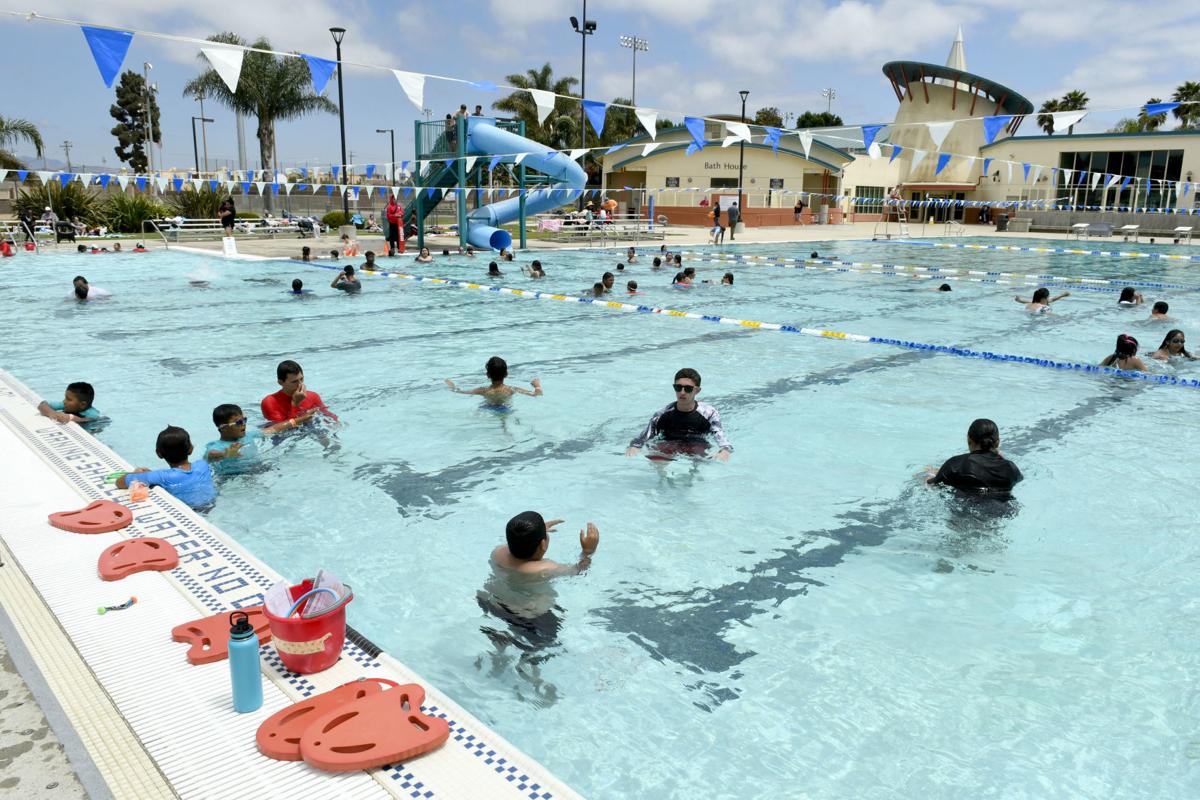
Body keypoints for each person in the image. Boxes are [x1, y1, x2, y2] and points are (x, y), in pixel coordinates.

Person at [626, 368, 731, 461]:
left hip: (697, 444)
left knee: (700, 459)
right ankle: (662, 480)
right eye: (678, 387)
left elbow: (719, 435)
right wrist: (634, 446)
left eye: (688, 388)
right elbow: (645, 436)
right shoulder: (662, 414)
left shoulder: (709, 413)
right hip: (669, 442)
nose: (682, 392)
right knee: (656, 457)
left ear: (697, 391)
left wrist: (725, 450)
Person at [115, 426, 216, 511]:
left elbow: (119, 482)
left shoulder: (162, 476)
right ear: (191, 449)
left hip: (187, 510)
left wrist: (136, 473)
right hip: (211, 505)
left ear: (159, 454)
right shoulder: (202, 465)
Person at [925, 418, 1022, 502]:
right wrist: (1001, 459)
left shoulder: (956, 464)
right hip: (1001, 512)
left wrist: (929, 475)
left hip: (965, 512)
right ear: (997, 442)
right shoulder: (1010, 467)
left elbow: (931, 485)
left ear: (969, 440)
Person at [490, 511, 599, 577]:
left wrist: (535, 531)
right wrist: (588, 551)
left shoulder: (498, 552)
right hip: (527, 613)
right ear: (543, 544)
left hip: (491, 602)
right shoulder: (544, 568)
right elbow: (579, 570)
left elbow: (516, 538)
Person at [204, 404, 290, 475]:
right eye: (238, 422)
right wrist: (225, 454)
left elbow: (273, 429)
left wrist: (300, 419)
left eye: (244, 420)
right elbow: (211, 455)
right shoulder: (217, 445)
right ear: (223, 427)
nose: (243, 424)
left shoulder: (248, 436)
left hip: (256, 469)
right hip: (231, 477)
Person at [446, 356, 542, 409]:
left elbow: (460, 392)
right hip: (505, 408)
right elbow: (536, 394)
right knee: (504, 424)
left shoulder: (482, 390)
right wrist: (537, 385)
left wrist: (451, 385)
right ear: (506, 374)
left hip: (487, 407)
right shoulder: (511, 389)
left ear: (487, 375)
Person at [261, 360, 336, 424]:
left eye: (301, 379)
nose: (300, 384)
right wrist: (295, 404)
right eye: (294, 382)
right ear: (281, 382)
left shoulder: (313, 396)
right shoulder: (270, 402)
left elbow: (328, 416)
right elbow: (282, 430)